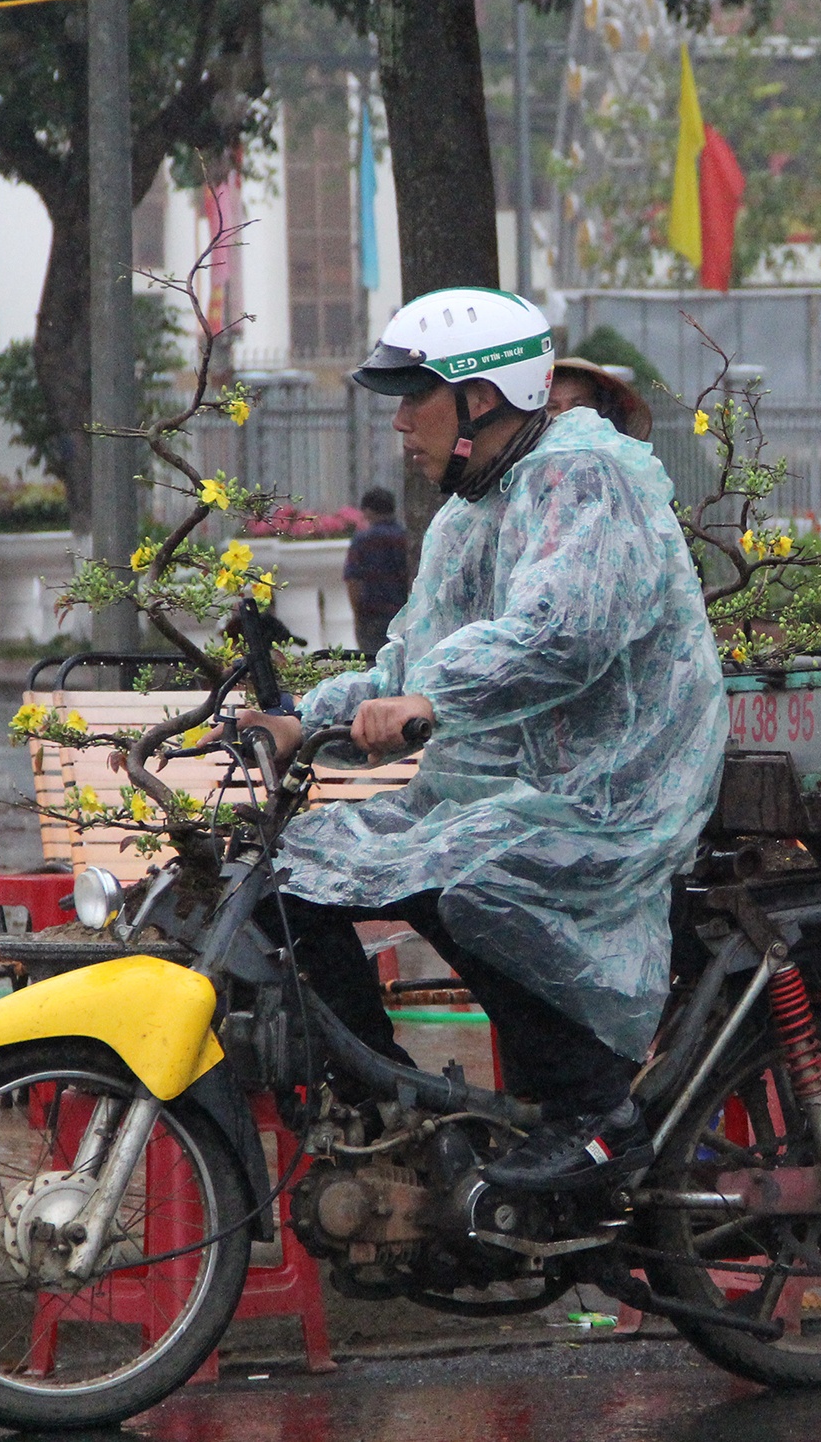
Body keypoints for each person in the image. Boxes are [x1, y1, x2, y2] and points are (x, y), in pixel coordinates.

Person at [237, 287, 725, 1193]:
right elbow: (409, 661)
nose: (399, 423)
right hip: (501, 793)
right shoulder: (473, 512)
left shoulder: (583, 478)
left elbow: (564, 633)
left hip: (610, 795)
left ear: (481, 397)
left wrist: (431, 697)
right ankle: (387, 1107)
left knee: (456, 877)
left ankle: (598, 1115)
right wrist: (307, 720)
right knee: (287, 875)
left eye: (413, 397)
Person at [341, 487, 410, 657]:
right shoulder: (406, 538)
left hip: (372, 616)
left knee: (373, 661)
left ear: (368, 511)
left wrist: (357, 615)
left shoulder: (362, 540)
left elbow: (353, 581)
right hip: (402, 614)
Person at [545, 357, 651, 440]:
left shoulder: (622, 459)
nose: (565, 414)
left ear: (601, 408)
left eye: (578, 406)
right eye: (552, 407)